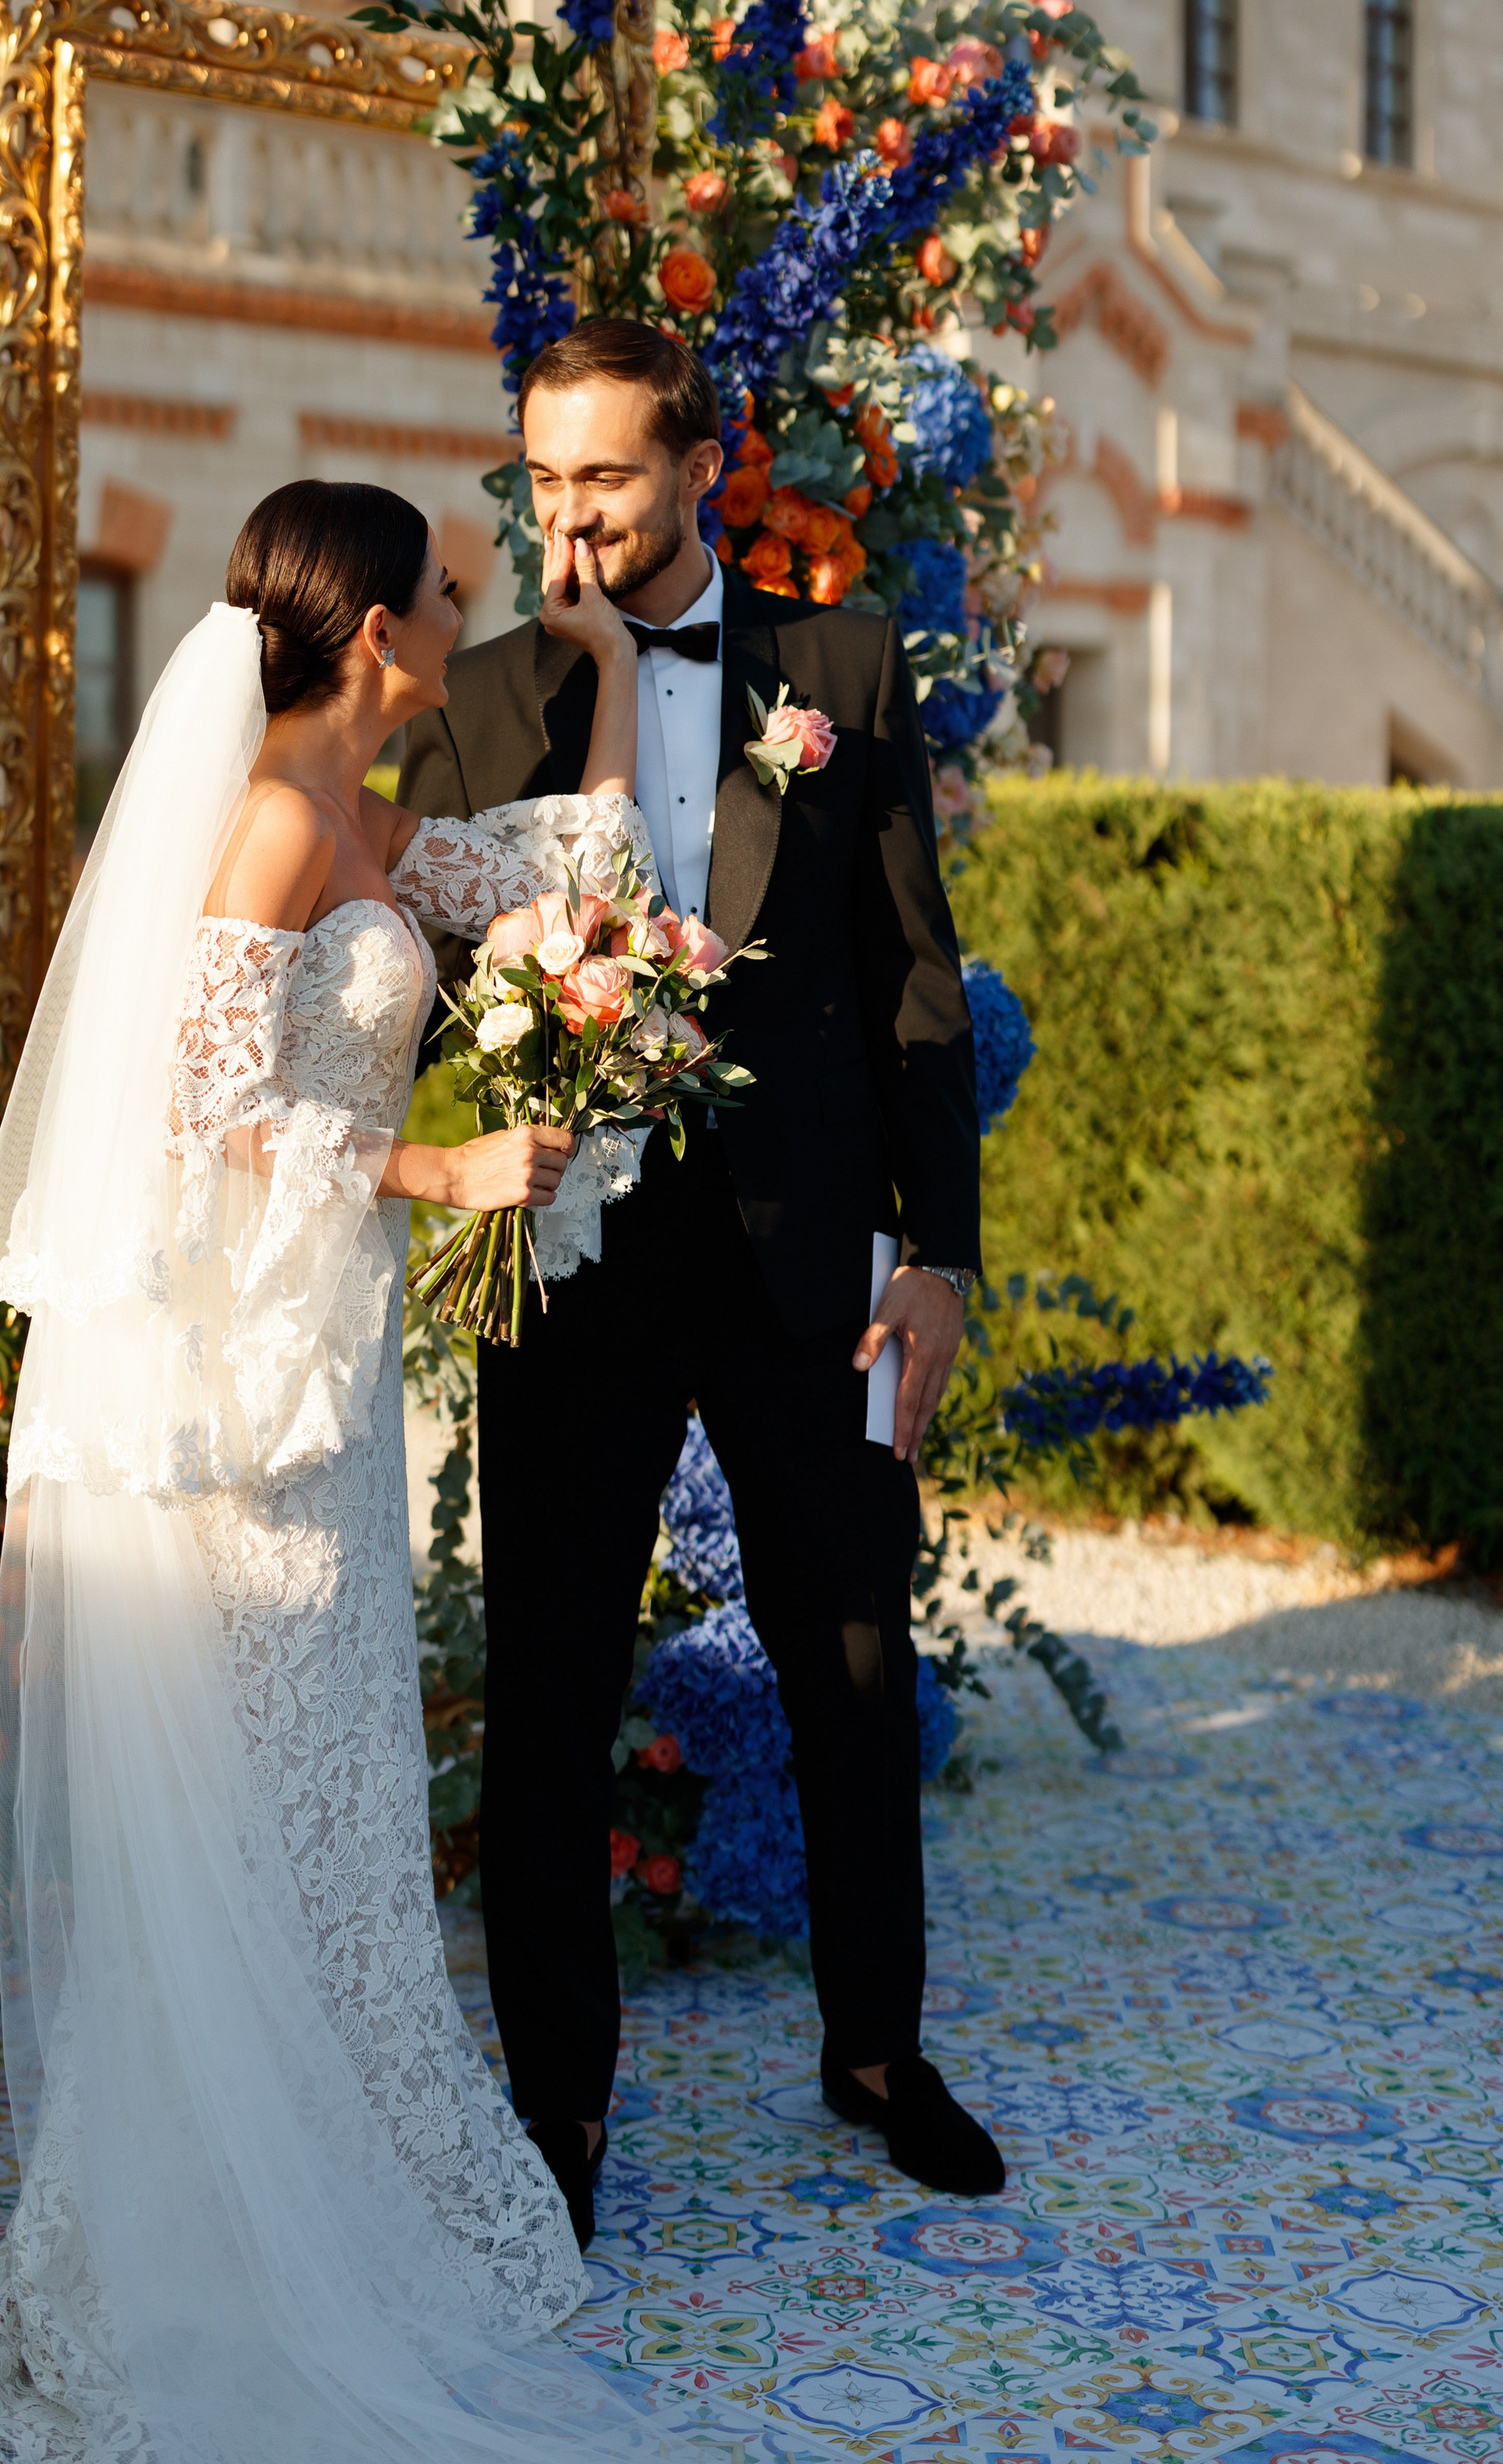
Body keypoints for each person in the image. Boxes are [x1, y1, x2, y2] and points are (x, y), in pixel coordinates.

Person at [0, 481, 673, 2464]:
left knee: (330, 1796)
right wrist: (441, 1167)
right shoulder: (274, 820)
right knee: (261, 1804)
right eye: (451, 587)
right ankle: (208, 2230)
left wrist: (604, 670)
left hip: (327, 1371)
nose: (473, 603)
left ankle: (333, 2187)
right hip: (242, 1395)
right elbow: (203, 1099)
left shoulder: (367, 819)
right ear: (376, 632)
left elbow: (568, 878)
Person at [397, 317, 1004, 2250]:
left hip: (803, 1257)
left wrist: (944, 1256)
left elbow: (915, 982)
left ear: (702, 466)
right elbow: (394, 984)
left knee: (848, 1655)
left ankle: (879, 2055)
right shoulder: (484, 700)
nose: (569, 512)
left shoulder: (837, 670)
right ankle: (556, 2110)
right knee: (552, 1683)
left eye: (607, 475)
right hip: (570, 1260)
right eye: (544, 476)